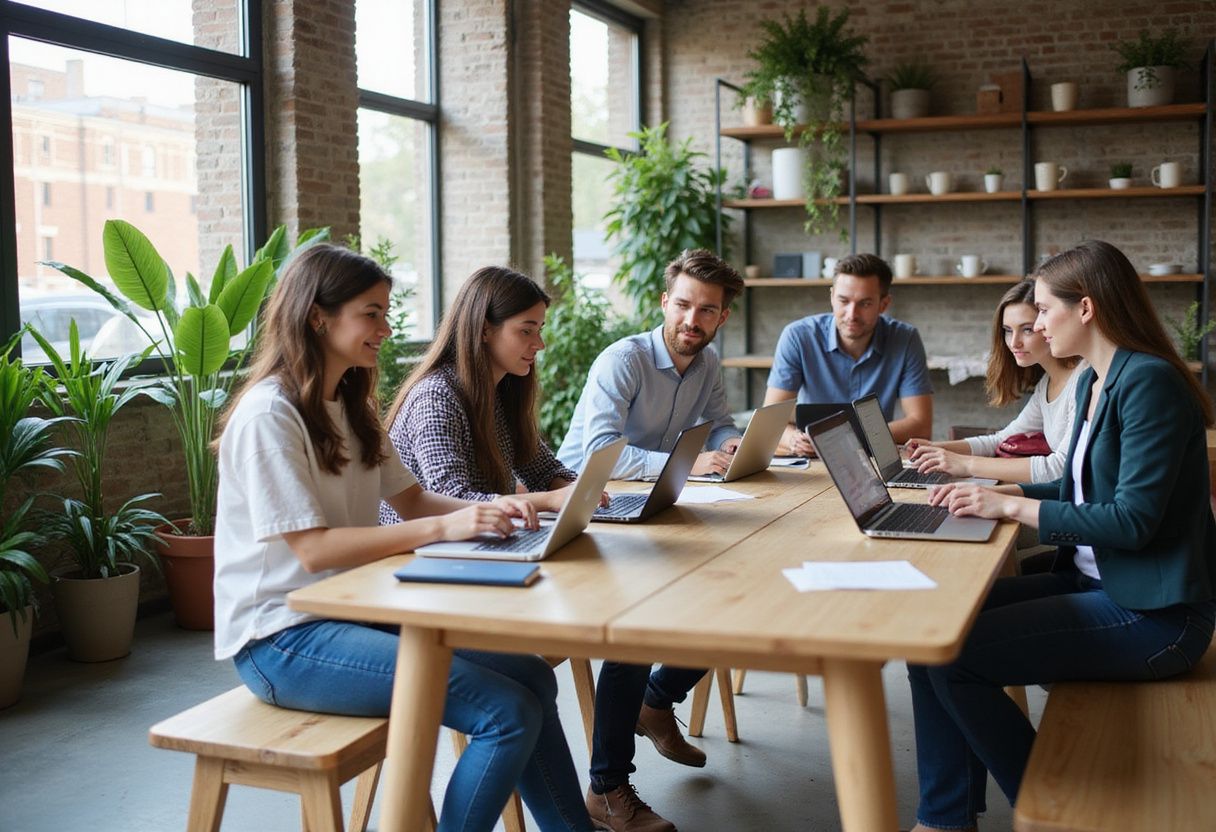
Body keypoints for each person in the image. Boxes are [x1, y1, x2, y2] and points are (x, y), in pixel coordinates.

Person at [212, 244, 593, 832]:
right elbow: (313, 549)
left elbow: (413, 500)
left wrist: (487, 513)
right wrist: (449, 525)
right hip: (280, 637)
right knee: (506, 712)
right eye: (372, 313)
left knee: (533, 676)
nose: (388, 329)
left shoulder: (352, 405)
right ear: (319, 316)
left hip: (359, 609)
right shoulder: (271, 416)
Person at [907, 240, 1216, 832]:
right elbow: (1077, 488)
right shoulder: (1103, 380)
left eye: (1045, 311)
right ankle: (946, 818)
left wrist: (1007, 504)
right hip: (1103, 585)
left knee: (955, 659)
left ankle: (1058, 811)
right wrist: (995, 499)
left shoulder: (1147, 383)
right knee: (931, 636)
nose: (1038, 326)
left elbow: (1131, 520)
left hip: (1157, 616)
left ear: (1087, 309)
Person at [557, 248, 745, 832]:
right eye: (683, 305)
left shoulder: (707, 362)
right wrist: (691, 462)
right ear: (665, 302)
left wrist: (731, 442)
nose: (692, 319)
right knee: (634, 625)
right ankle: (608, 788)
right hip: (587, 505)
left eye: (706, 310)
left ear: (722, 318)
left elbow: (718, 421)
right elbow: (600, 455)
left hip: (662, 500)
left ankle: (657, 699)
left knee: (742, 594)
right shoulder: (624, 360)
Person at [380, 265, 585, 525]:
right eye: (526, 331)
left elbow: (544, 471)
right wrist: (551, 500)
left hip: (478, 542)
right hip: (419, 552)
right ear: (485, 330)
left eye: (540, 330)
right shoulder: (435, 396)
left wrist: (575, 490)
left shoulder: (503, 391)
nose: (540, 344)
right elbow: (453, 497)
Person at [906, 279, 1085, 484]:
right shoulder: (1047, 384)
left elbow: (1061, 467)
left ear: (1046, 324)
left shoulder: (1082, 378)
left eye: (1027, 329)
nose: (1014, 342)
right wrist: (936, 447)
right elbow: (1000, 440)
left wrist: (964, 463)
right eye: (1008, 330)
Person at [763, 253, 933, 455]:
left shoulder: (905, 338)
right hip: (813, 456)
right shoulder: (798, 336)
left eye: (865, 303)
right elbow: (770, 421)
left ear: (884, 304)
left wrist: (838, 438)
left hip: (872, 457)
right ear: (832, 296)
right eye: (843, 301)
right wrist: (794, 440)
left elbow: (921, 425)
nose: (852, 314)